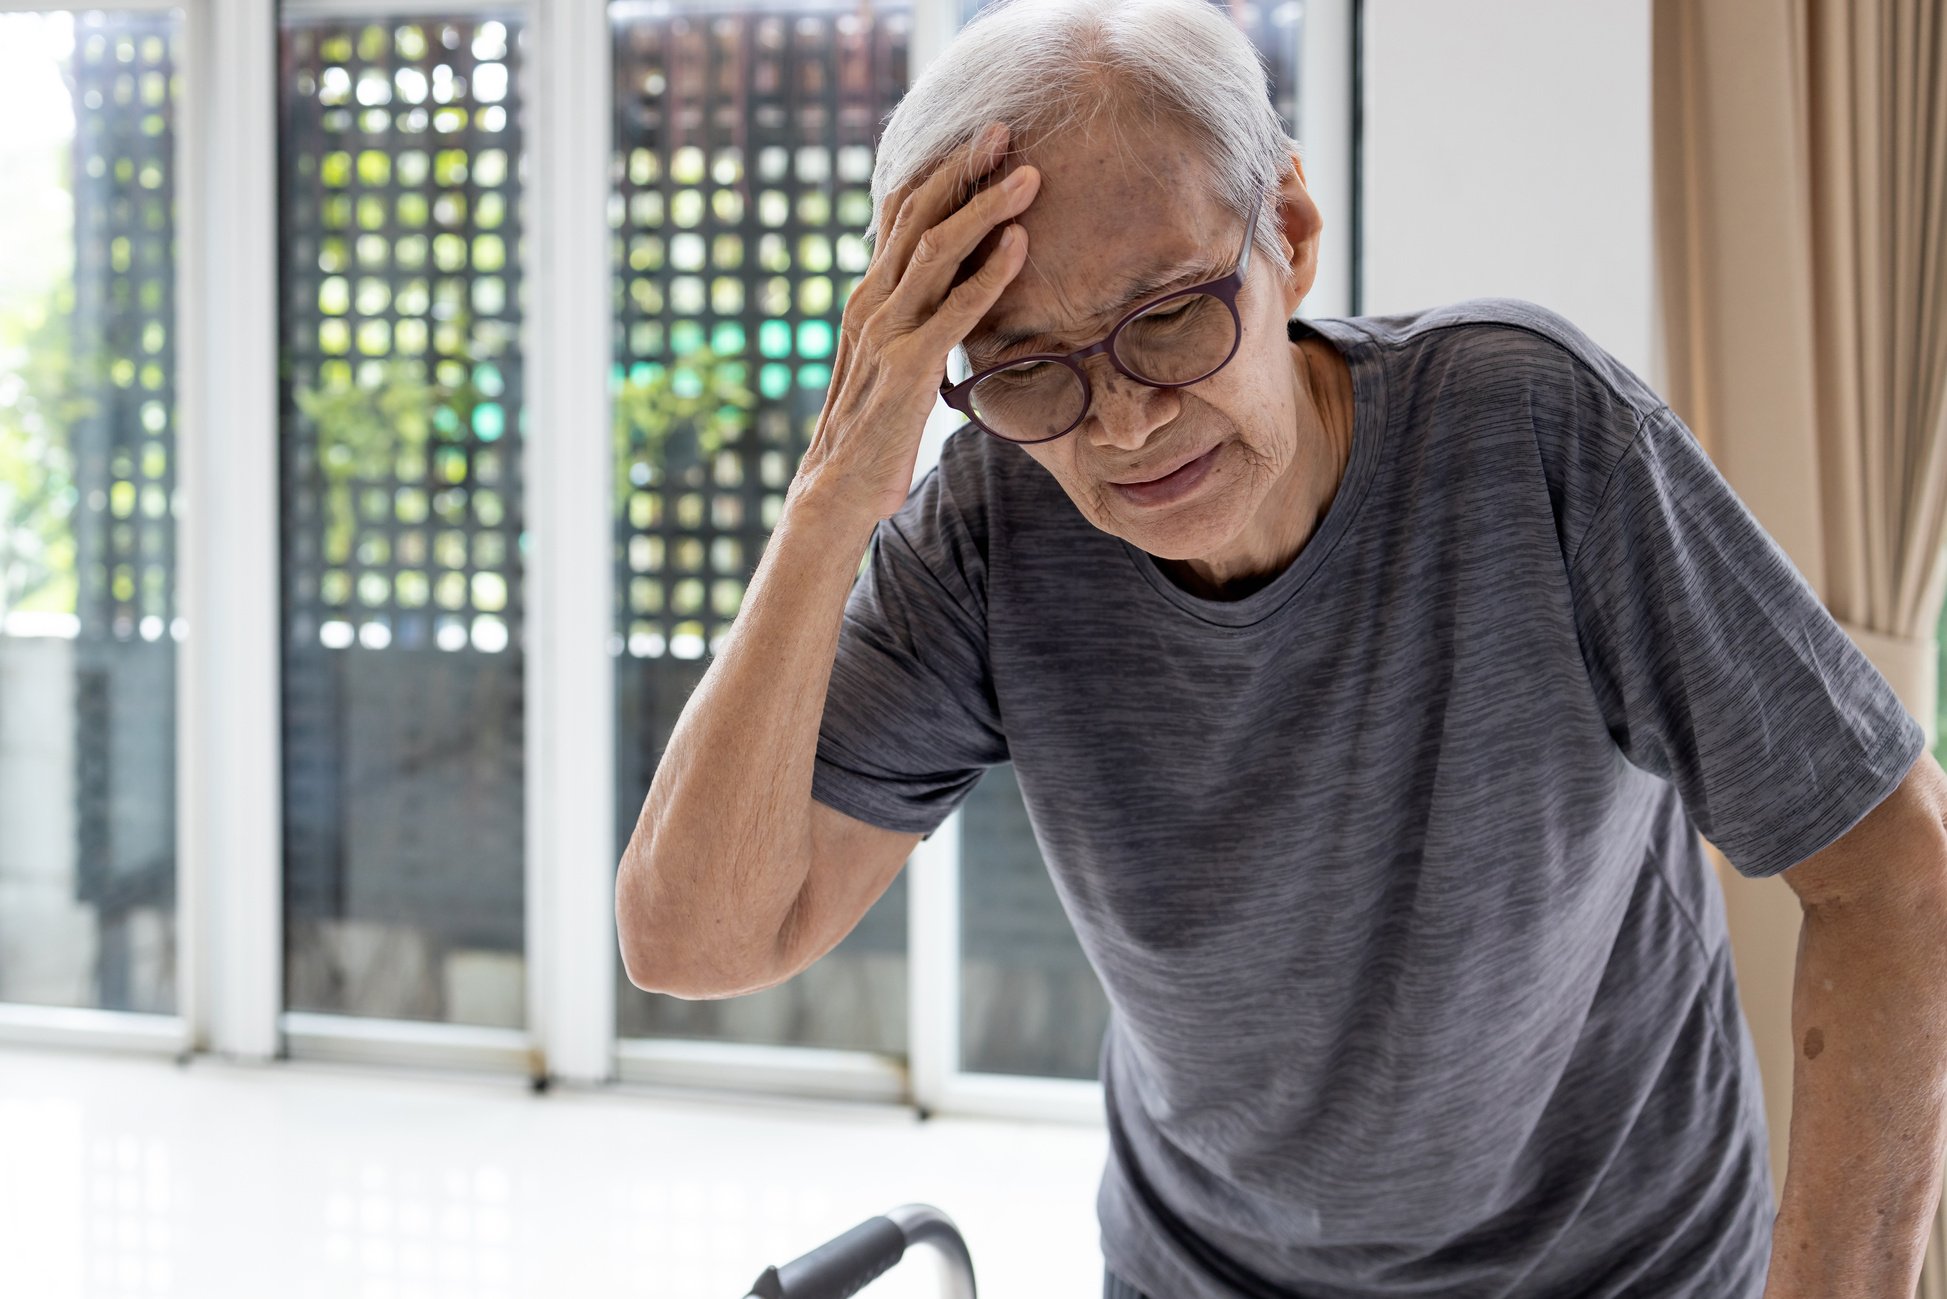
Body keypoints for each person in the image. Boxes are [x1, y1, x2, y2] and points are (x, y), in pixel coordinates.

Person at [618, 1, 1942, 1296]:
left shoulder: (1536, 432)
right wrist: (839, 490)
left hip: (1618, 1266)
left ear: (1290, 232)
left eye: (1173, 317)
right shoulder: (992, 518)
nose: (1126, 425)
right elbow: (696, 943)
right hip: (1199, 1269)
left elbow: (1897, 881)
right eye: (1031, 370)